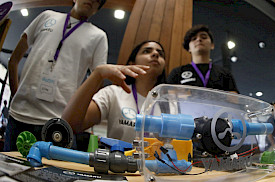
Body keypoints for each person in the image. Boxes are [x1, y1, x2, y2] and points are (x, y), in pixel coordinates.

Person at [5, 0, 108, 151]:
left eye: (98, 0)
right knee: (8, 170)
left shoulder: (98, 36)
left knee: (51, 174)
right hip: (19, 116)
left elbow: (97, 82)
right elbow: (14, 60)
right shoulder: (46, 16)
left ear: (97, 8)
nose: (92, 0)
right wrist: (15, 95)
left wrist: (76, 117)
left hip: (58, 123)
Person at [62, 41, 166, 143]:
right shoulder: (113, 93)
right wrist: (97, 75)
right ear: (132, 63)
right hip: (117, 158)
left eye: (160, 54)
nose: (156, 54)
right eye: (146, 51)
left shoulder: (169, 103)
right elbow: (70, 125)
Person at [167, 25, 238, 93]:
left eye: (204, 37)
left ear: (212, 45)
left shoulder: (225, 73)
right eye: (194, 39)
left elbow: (234, 98)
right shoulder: (177, 72)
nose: (199, 39)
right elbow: (167, 96)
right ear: (189, 48)